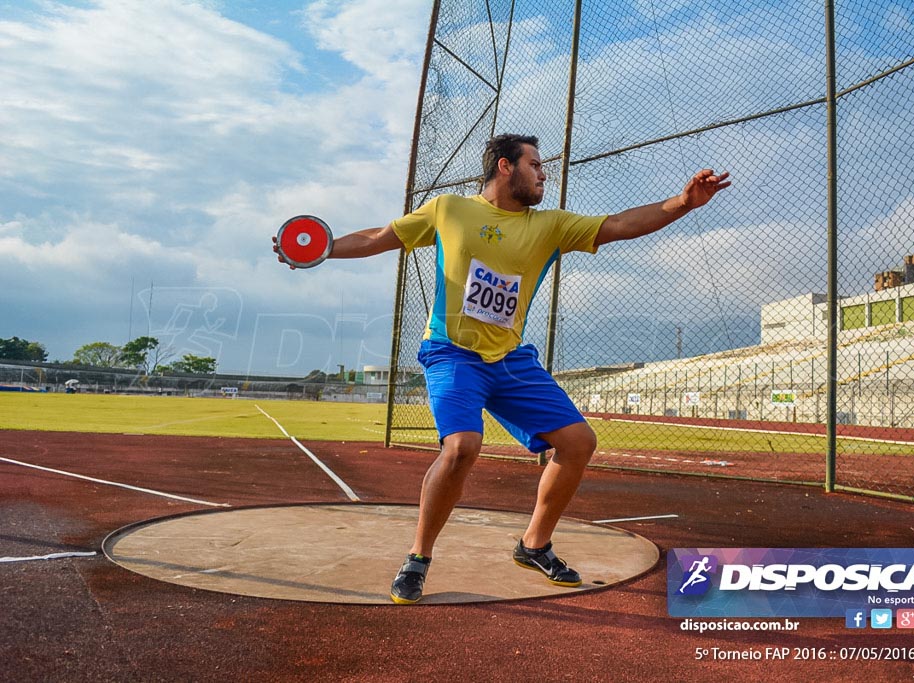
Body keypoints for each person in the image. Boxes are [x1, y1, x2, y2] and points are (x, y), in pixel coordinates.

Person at [274, 134, 730, 604]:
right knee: (461, 447)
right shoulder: (449, 209)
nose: (544, 173)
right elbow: (379, 237)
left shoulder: (551, 225)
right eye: (536, 164)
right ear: (506, 167)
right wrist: (323, 249)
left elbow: (619, 224)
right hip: (452, 352)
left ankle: (534, 545)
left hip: (510, 359)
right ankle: (418, 557)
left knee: (577, 443)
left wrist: (683, 202)